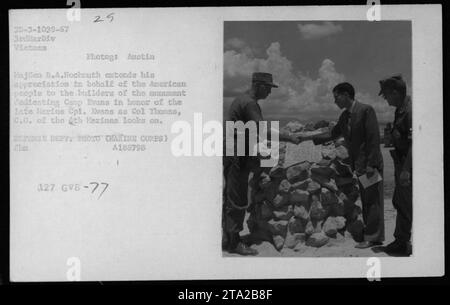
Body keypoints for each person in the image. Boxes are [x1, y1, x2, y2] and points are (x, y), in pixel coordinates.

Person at [223, 72, 299, 255]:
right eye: (269, 88)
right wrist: (288, 136)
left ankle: (227, 237)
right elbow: (262, 130)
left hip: (235, 151)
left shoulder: (240, 99)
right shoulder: (249, 103)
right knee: (238, 199)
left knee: (231, 196)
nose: (270, 93)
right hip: (237, 155)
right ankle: (234, 243)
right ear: (259, 85)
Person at [300, 82, 384, 248]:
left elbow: (373, 139)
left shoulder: (366, 110)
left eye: (336, 97)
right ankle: (372, 234)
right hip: (359, 167)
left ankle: (373, 237)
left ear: (346, 95)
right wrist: (308, 137)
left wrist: (371, 164)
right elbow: (332, 133)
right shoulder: (345, 116)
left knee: (373, 201)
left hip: (369, 166)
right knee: (367, 200)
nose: (334, 101)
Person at [379, 74, 412, 256]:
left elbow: (416, 142)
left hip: (408, 166)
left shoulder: (410, 110)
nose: (385, 99)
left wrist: (406, 170)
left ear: (395, 93)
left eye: (386, 95)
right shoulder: (400, 110)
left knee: (406, 205)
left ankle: (403, 243)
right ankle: (401, 240)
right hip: (402, 164)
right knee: (401, 202)